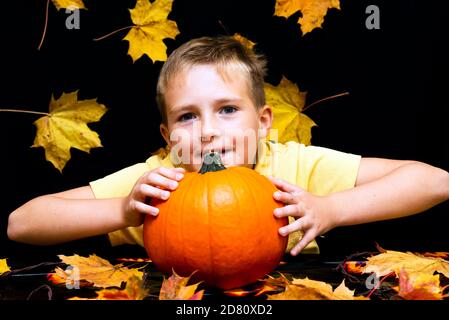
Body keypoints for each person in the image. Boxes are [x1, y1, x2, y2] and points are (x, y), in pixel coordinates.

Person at [7, 36, 449, 256]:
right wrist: (124, 210)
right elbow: (21, 223)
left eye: (227, 110)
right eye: (186, 116)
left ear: (262, 123)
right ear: (167, 138)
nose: (207, 132)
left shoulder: (291, 165)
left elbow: (434, 181)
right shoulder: (158, 180)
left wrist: (331, 209)